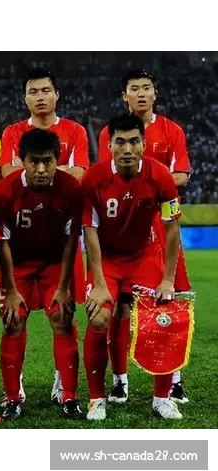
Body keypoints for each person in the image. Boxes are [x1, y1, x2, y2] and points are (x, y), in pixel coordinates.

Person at [97, 70, 191, 404]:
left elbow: (181, 175)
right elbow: (109, 174)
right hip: (125, 220)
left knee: (171, 298)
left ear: (155, 93)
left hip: (161, 219)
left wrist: (151, 181)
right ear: (124, 95)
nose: (140, 93)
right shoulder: (111, 132)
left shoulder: (172, 131)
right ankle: (119, 380)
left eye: (146, 88)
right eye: (134, 88)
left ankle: (173, 380)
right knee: (118, 308)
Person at [82, 114, 183, 421]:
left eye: (134, 142)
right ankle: (97, 399)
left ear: (143, 144)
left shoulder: (160, 175)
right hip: (108, 260)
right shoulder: (93, 178)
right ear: (109, 146)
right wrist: (99, 283)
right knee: (99, 317)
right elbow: (90, 232)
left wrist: (168, 279)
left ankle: (162, 399)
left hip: (144, 256)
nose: (127, 149)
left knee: (163, 318)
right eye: (120, 142)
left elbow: (172, 229)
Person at [0, 67, 89, 404]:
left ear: (56, 94)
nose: (40, 97)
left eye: (46, 90)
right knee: (12, 320)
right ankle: (14, 391)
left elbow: (79, 176)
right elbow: (8, 172)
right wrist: (52, 170)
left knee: (63, 316)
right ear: (25, 98)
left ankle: (64, 387)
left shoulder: (75, 130)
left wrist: (44, 172)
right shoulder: (12, 132)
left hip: (57, 254)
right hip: (20, 255)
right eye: (33, 91)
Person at [0, 129, 84, 420]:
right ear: (22, 161)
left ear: (57, 160)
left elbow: (71, 240)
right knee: (13, 322)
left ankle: (69, 396)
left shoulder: (71, 188)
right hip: (18, 265)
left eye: (48, 161)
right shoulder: (6, 190)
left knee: (62, 319)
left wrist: (64, 287)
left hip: (55, 264)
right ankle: (12, 397)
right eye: (34, 161)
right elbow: (2, 243)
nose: (41, 169)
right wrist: (10, 289)